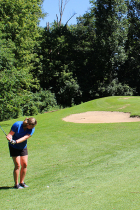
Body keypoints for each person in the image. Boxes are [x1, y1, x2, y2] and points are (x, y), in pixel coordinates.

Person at [6, 117, 37, 189]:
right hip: (14, 147)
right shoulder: (17, 124)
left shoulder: (32, 129)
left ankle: (22, 182)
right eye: (32, 126)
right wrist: (9, 137)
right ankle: (16, 184)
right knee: (17, 165)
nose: (32, 128)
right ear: (28, 124)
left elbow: (25, 138)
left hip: (23, 147)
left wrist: (16, 141)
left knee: (25, 164)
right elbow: (10, 134)